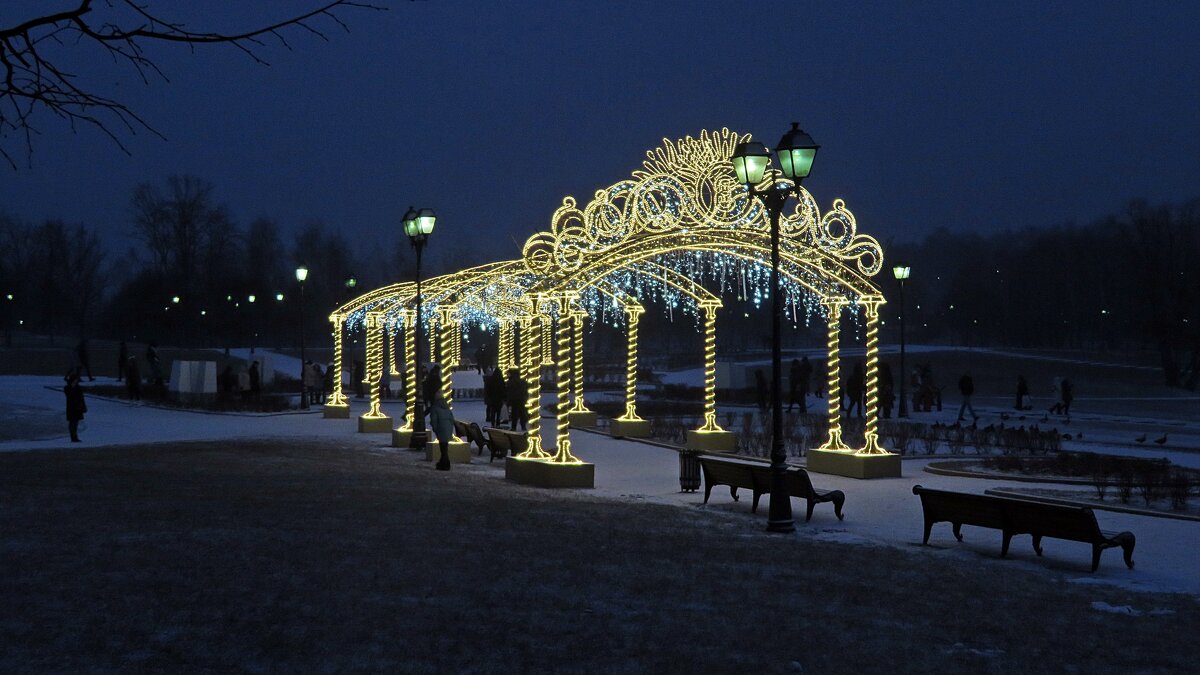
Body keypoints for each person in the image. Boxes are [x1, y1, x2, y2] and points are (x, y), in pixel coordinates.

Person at [423, 364, 455, 471]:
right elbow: (451, 418)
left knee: (443, 448)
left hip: (441, 430)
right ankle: (443, 463)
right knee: (444, 448)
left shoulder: (435, 408)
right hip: (447, 429)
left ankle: (445, 463)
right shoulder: (446, 407)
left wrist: (435, 429)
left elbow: (434, 420)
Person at [64, 369, 87, 442]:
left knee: (75, 422)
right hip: (72, 407)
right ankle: (73, 437)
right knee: (72, 422)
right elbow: (69, 396)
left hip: (77, 407)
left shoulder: (78, 387)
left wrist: (83, 406)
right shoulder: (68, 388)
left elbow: (81, 398)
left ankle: (75, 436)